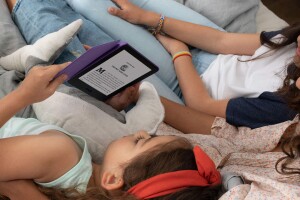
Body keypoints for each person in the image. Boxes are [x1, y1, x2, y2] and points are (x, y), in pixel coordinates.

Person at [0, 63, 222, 199]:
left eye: (141, 141)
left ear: (113, 178)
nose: (141, 132)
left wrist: (24, 95)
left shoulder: (59, 153)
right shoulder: (82, 183)